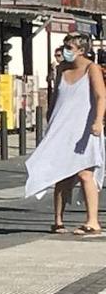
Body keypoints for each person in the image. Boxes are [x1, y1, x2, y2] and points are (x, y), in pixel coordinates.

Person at [25, 33, 106, 236]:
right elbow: (56, 97)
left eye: (69, 47)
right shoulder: (62, 69)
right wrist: (50, 118)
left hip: (84, 130)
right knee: (61, 174)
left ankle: (92, 221)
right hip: (62, 128)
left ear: (82, 50)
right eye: (65, 46)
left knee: (85, 174)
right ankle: (58, 221)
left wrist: (98, 121)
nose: (65, 50)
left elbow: (101, 96)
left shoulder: (92, 69)